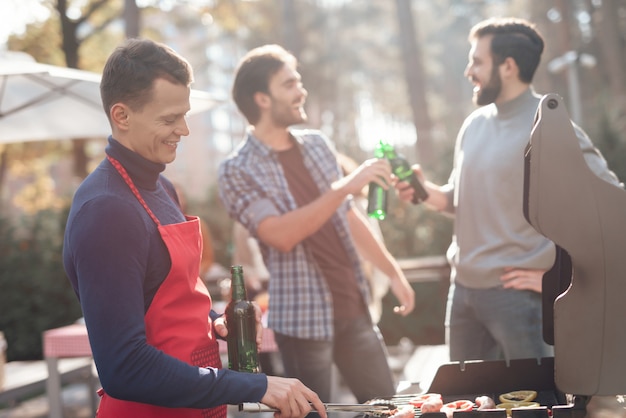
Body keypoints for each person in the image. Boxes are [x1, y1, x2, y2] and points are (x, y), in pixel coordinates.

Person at [62, 38, 326, 418]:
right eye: (169, 119)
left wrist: (218, 321)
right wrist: (257, 385)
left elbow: (168, 297)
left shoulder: (162, 188)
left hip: (199, 408)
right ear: (121, 116)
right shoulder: (105, 211)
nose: (183, 130)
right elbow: (124, 367)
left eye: (184, 115)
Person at [395, 17, 621, 363]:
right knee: (467, 407)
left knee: (538, 405)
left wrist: (560, 278)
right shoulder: (473, 125)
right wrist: (423, 190)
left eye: (477, 61)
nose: (469, 70)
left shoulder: (550, 126)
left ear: (509, 66)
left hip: (518, 299)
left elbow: (611, 202)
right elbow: (458, 199)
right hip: (463, 295)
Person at [218, 44, 415, 404]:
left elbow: (348, 218)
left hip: (354, 306)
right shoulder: (236, 169)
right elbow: (280, 235)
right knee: (311, 414)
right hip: (302, 321)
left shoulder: (317, 145)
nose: (301, 90)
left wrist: (393, 272)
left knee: (389, 408)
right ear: (262, 98)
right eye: (290, 83)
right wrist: (344, 187)